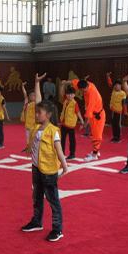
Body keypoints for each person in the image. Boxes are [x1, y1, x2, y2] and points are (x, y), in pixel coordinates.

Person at [21, 73, 69, 242]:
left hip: (48, 171)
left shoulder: (53, 131)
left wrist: (65, 166)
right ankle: (37, 221)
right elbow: (38, 101)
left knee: (53, 199)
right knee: (37, 196)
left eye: (39, 113)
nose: (36, 115)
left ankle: (57, 228)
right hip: (36, 168)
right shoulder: (37, 127)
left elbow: (59, 150)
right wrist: (36, 83)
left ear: (47, 115)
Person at [71, 77, 105, 161]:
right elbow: (75, 82)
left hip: (98, 116)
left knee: (97, 136)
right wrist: (65, 82)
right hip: (94, 115)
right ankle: (96, 151)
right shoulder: (88, 84)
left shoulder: (92, 95)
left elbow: (88, 114)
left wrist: (84, 125)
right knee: (94, 134)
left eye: (83, 90)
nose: (82, 92)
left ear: (85, 87)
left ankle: (94, 155)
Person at [58, 83, 84, 160]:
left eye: (71, 94)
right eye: (68, 94)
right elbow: (61, 93)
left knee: (72, 140)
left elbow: (78, 112)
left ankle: (72, 154)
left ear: (74, 95)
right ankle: (61, 153)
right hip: (63, 124)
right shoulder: (65, 100)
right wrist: (62, 85)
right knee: (62, 139)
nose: (69, 96)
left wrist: (82, 121)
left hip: (71, 125)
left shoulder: (74, 103)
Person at [106, 72, 127, 143]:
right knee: (113, 124)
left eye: (118, 85)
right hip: (113, 111)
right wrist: (108, 77)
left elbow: (124, 103)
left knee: (118, 125)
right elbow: (110, 84)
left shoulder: (123, 93)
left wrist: (125, 112)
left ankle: (118, 138)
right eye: (115, 85)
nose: (116, 86)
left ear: (120, 86)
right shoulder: (114, 90)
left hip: (119, 111)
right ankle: (114, 136)